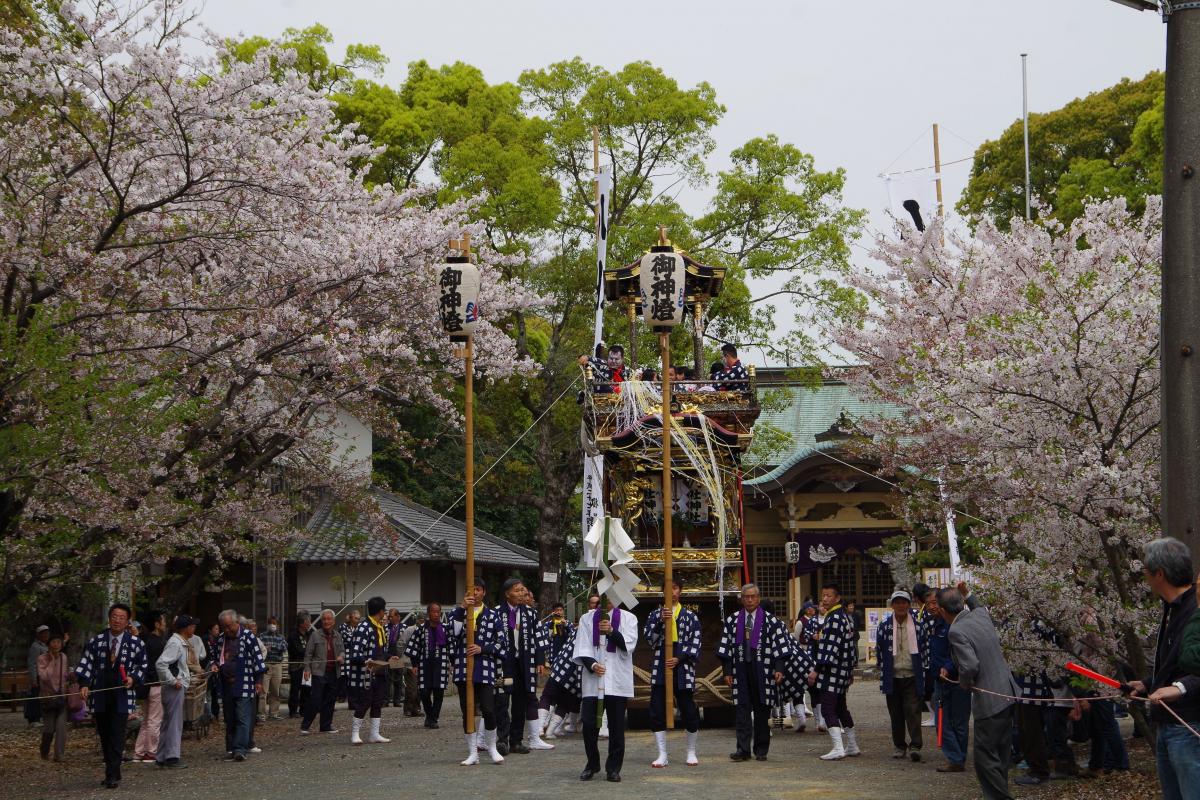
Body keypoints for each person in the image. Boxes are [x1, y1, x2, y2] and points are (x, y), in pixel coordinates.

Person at [1126, 537, 1199, 800]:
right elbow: (1175, 661)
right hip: (1167, 722)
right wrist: (1148, 683)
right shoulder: (1172, 608)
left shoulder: (1196, 610)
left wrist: (1179, 688)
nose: (1144, 578)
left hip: (1189, 722)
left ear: (1160, 574)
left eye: (1146, 571)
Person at [943, 583, 1021, 800]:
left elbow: (969, 666)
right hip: (1007, 692)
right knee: (1001, 752)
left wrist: (964, 683)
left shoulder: (956, 631)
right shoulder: (980, 615)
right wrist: (968, 593)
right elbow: (977, 605)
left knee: (985, 757)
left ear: (942, 610)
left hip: (989, 698)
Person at [717, 583, 793, 762]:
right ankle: (742, 750)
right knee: (742, 711)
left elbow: (781, 647)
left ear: (758, 598)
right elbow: (725, 648)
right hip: (740, 670)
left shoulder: (771, 621)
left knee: (762, 711)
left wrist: (779, 669)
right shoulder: (733, 620)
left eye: (753, 596)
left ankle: (761, 749)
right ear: (741, 599)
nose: (750, 600)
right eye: (746, 597)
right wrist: (727, 671)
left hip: (764, 671)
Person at [75, 603, 148, 789]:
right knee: (105, 734)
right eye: (114, 616)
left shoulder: (135, 643)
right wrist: (84, 684)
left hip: (122, 694)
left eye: (121, 617)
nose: (117, 620)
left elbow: (143, 666)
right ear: (109, 618)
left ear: (127, 621)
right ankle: (113, 768)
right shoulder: (96, 641)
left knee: (117, 733)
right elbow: (86, 664)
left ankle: (111, 774)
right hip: (100, 694)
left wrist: (132, 678)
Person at [573, 597, 638, 782]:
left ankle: (614, 768)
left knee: (617, 726)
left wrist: (610, 630)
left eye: (611, 597)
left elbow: (629, 645)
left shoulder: (629, 618)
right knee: (589, 724)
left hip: (617, 680)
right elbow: (581, 647)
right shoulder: (587, 618)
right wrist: (592, 665)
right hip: (593, 681)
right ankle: (592, 763)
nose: (607, 601)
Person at [644, 576, 702, 767]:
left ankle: (691, 751)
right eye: (668, 588)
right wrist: (661, 621)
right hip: (661, 664)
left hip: (682, 665)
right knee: (656, 710)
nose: (672, 592)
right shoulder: (655, 615)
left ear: (680, 591)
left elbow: (696, 643)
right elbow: (650, 640)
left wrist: (680, 658)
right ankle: (662, 753)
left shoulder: (690, 616)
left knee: (689, 710)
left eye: (675, 588)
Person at [448, 577, 506, 765]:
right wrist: (461, 609)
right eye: (471, 590)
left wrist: (484, 649)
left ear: (484, 592)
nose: (475, 593)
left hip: (485, 668)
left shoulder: (492, 616)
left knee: (489, 709)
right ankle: (472, 752)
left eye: (478, 589)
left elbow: (502, 643)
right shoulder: (457, 613)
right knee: (467, 712)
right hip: (463, 668)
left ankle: (492, 747)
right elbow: (452, 634)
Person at [492, 578, 551, 754]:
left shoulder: (530, 613)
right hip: (502, 664)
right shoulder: (495, 613)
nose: (521, 593)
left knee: (520, 702)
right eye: (516, 591)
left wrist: (540, 660)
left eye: (521, 590)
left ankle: (516, 740)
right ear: (507, 594)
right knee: (501, 700)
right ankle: (502, 740)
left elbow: (538, 638)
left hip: (523, 663)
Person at [810, 582, 860, 760]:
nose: (824, 599)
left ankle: (838, 747)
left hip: (832, 671)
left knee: (828, 709)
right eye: (823, 595)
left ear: (837, 598)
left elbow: (828, 650)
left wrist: (816, 670)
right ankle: (852, 745)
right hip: (843, 669)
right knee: (841, 708)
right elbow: (851, 648)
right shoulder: (844, 617)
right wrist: (851, 669)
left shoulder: (834, 619)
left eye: (829, 596)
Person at [877, 590, 927, 761]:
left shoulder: (919, 626)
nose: (900, 606)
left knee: (913, 711)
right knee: (895, 713)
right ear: (892, 605)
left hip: (912, 674)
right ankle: (899, 745)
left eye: (903, 602)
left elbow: (925, 650)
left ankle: (915, 745)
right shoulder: (884, 627)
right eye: (897, 602)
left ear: (909, 604)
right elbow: (879, 651)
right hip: (893, 675)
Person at [539, 594, 598, 740]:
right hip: (576, 671)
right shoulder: (586, 623)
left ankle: (545, 730)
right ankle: (545, 729)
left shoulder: (578, 623)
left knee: (552, 698)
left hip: (566, 667)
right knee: (556, 699)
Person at [211, 609, 265, 762]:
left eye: (229, 626)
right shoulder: (221, 639)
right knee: (229, 717)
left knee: (242, 716)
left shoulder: (248, 637)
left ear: (236, 623)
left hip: (245, 682)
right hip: (226, 684)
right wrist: (214, 665)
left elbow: (258, 660)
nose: (227, 630)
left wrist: (259, 680)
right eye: (224, 627)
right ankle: (230, 747)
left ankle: (240, 749)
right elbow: (215, 658)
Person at [928, 588, 969, 773]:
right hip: (940, 679)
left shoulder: (956, 625)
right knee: (942, 721)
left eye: (935, 603)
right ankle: (956, 758)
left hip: (958, 678)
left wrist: (948, 667)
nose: (932, 606)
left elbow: (959, 652)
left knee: (958, 721)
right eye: (929, 603)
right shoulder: (935, 623)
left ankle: (957, 758)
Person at [347, 596, 397, 746]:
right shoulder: (364, 627)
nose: (385, 614)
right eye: (384, 611)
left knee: (378, 702)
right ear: (381, 611)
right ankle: (354, 733)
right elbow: (355, 654)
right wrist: (367, 662)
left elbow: (382, 650)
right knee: (365, 701)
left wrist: (390, 657)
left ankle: (374, 734)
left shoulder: (380, 627)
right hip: (366, 672)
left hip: (380, 670)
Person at [155, 615, 198, 770]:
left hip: (173, 686)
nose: (194, 628)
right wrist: (173, 681)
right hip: (174, 688)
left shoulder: (178, 642)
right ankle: (172, 756)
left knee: (168, 722)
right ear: (186, 628)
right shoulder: (175, 643)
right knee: (174, 722)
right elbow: (161, 664)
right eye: (192, 626)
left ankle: (161, 756)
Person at [404, 603, 450, 728]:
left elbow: (451, 646)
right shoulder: (421, 629)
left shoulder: (446, 628)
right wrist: (414, 665)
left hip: (441, 664)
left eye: (438, 612)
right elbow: (414, 647)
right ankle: (429, 715)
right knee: (424, 692)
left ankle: (433, 718)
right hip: (425, 664)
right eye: (434, 612)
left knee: (439, 692)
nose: (436, 614)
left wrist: (452, 663)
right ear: (429, 613)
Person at [300, 609, 344, 735]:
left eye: (329, 619)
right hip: (319, 672)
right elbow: (308, 654)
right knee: (316, 699)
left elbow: (342, 651)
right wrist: (307, 669)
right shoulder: (315, 635)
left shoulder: (337, 635)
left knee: (330, 700)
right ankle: (305, 726)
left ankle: (325, 725)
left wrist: (341, 657)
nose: (326, 621)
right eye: (324, 619)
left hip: (333, 671)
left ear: (334, 621)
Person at [133, 612, 167, 763]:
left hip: (145, 684)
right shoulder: (158, 642)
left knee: (147, 720)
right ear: (157, 624)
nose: (165, 624)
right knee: (154, 720)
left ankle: (139, 752)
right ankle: (151, 751)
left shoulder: (145, 640)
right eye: (163, 621)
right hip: (155, 684)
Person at [36, 631, 71, 761]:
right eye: (53, 642)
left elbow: (64, 676)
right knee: (49, 729)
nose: (56, 644)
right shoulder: (42, 658)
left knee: (61, 729)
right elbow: (44, 677)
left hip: (61, 697)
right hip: (47, 697)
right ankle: (44, 750)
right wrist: (51, 660)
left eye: (58, 642)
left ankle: (59, 755)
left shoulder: (64, 657)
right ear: (49, 644)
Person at [257, 616, 287, 721]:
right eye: (270, 623)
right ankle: (261, 714)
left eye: (274, 623)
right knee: (263, 691)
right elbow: (261, 649)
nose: (272, 625)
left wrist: (271, 647)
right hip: (266, 665)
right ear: (267, 624)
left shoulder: (281, 637)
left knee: (275, 690)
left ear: (277, 625)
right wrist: (268, 648)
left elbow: (283, 648)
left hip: (277, 665)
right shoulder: (262, 636)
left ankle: (274, 713)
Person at [286, 612, 311, 718]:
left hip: (306, 666)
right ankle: (293, 710)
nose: (309, 624)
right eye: (308, 621)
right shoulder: (293, 635)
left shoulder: (309, 634)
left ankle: (304, 709)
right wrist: (309, 651)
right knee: (295, 689)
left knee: (306, 688)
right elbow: (298, 650)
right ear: (302, 623)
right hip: (296, 665)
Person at [26, 625, 50, 726]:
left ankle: (39, 717)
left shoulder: (46, 646)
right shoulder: (35, 646)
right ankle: (33, 719)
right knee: (34, 697)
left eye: (47, 633)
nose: (46, 635)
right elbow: (32, 663)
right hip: (37, 676)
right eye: (43, 633)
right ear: (38, 635)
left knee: (41, 698)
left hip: (45, 676)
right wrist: (33, 679)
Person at [386, 609, 405, 709]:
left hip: (399, 655)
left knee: (398, 678)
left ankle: (397, 700)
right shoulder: (386, 627)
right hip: (388, 654)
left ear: (397, 617)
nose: (389, 618)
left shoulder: (404, 627)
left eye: (391, 616)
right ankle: (386, 700)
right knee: (387, 678)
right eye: (389, 616)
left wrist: (401, 656)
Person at [205, 623, 223, 720]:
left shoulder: (218, 640)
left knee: (215, 691)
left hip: (216, 669)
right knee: (208, 692)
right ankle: (209, 714)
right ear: (210, 630)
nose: (218, 631)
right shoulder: (205, 640)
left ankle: (215, 713)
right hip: (207, 668)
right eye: (215, 629)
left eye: (218, 629)